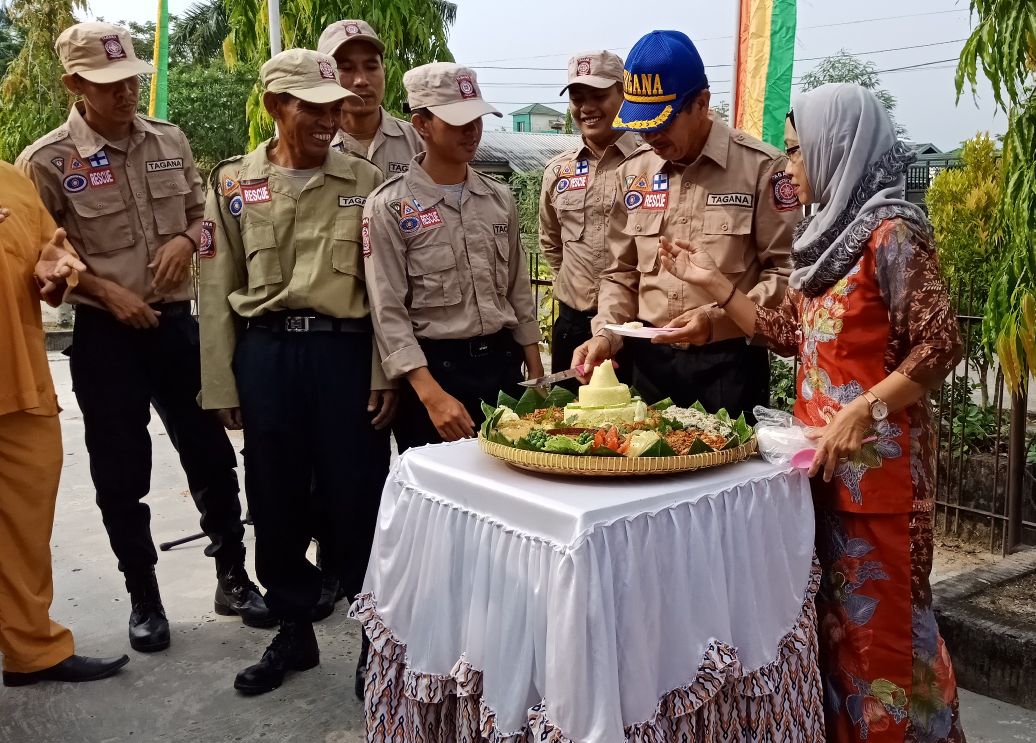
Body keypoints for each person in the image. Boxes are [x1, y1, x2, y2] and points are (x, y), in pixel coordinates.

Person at [659, 83, 966, 743]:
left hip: (883, 488)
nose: (791, 170)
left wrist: (864, 408)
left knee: (888, 637)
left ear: (839, 147)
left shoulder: (892, 233)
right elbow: (790, 334)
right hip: (819, 474)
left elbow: (941, 344)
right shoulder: (828, 237)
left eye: (798, 153)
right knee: (837, 637)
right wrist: (716, 288)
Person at [16, 22, 271, 655]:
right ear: (74, 85)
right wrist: (106, 293)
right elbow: (39, 259)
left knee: (211, 454)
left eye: (131, 78)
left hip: (174, 327)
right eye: (108, 84)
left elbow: (200, 213)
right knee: (120, 471)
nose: (126, 91)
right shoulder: (47, 163)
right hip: (106, 336)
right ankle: (144, 595)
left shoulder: (170, 139)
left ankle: (233, 577)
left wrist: (187, 242)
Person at [198, 48, 391, 696]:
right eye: (312, 107)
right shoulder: (232, 181)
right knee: (275, 500)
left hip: (344, 354)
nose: (328, 119)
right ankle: (292, 630)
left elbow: (384, 291)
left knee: (357, 500)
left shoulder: (365, 181)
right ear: (275, 106)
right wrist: (222, 383)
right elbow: (217, 281)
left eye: (334, 108)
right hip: (268, 356)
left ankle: (375, 641)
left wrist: (382, 372)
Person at [572, 30, 797, 420]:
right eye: (641, 124)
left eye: (662, 122)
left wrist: (717, 320)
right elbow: (620, 272)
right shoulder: (635, 171)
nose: (650, 136)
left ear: (701, 103)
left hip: (728, 362)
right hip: (648, 364)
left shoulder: (762, 169)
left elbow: (784, 273)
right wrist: (607, 333)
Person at [363, 62, 542, 455]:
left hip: (501, 367)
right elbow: (387, 310)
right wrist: (430, 396)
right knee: (443, 500)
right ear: (422, 124)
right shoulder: (389, 206)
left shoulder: (498, 199)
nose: (472, 131)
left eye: (477, 118)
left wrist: (535, 365)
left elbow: (517, 287)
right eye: (458, 121)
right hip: (436, 373)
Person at [0, 161, 129, 687]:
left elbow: (45, 258)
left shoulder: (12, 181)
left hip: (21, 385)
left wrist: (54, 270)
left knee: (26, 530)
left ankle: (32, 650)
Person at [538, 50, 638, 385]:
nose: (587, 108)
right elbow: (551, 241)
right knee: (566, 426)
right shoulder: (559, 170)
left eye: (598, 96)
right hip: (572, 323)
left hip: (632, 328)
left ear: (624, 95)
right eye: (578, 99)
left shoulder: (650, 163)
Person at [318, 19, 424, 175]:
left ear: (384, 70)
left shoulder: (419, 144)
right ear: (324, 75)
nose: (361, 80)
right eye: (346, 68)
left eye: (371, 67)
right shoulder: (310, 148)